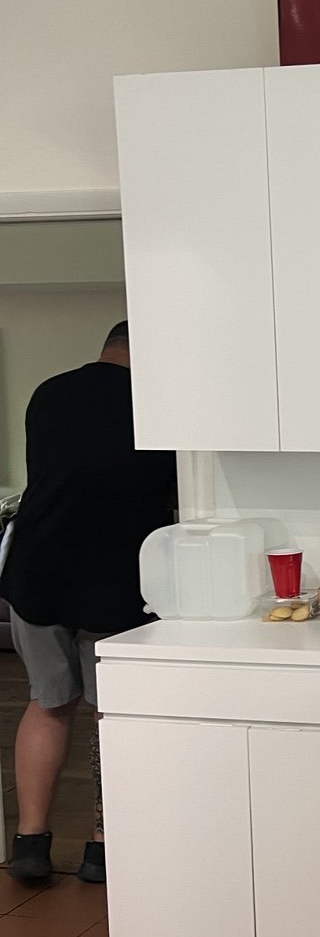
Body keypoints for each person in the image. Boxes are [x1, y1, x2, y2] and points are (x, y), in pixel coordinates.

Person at [1, 322, 176, 883]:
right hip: (114, 574)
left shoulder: (50, 392)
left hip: (35, 567)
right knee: (110, 713)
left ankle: (30, 841)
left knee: (48, 703)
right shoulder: (156, 404)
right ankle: (102, 847)